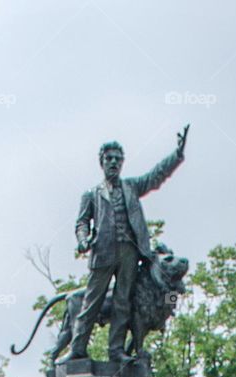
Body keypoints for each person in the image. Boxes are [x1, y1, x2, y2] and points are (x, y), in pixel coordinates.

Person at [66, 126, 189, 362]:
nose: (113, 162)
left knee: (123, 301)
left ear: (122, 163)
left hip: (130, 252)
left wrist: (177, 155)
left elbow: (156, 176)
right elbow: (81, 223)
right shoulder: (91, 195)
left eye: (117, 159)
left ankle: (117, 351)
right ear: (101, 162)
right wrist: (83, 241)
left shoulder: (131, 187)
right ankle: (78, 348)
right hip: (102, 252)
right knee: (92, 302)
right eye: (109, 158)